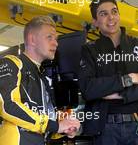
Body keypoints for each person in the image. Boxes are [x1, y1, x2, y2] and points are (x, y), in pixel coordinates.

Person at [79, 0, 138, 145]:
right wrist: (128, 79)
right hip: (105, 130)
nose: (110, 17)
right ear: (95, 22)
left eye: (114, 11)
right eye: (103, 14)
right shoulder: (89, 50)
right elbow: (88, 89)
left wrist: (121, 95)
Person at [0, 16, 80, 145]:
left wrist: (66, 127)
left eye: (56, 39)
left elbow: (45, 121)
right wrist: (56, 126)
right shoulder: (11, 63)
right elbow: (7, 105)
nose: (56, 43)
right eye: (49, 37)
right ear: (32, 39)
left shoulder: (43, 77)